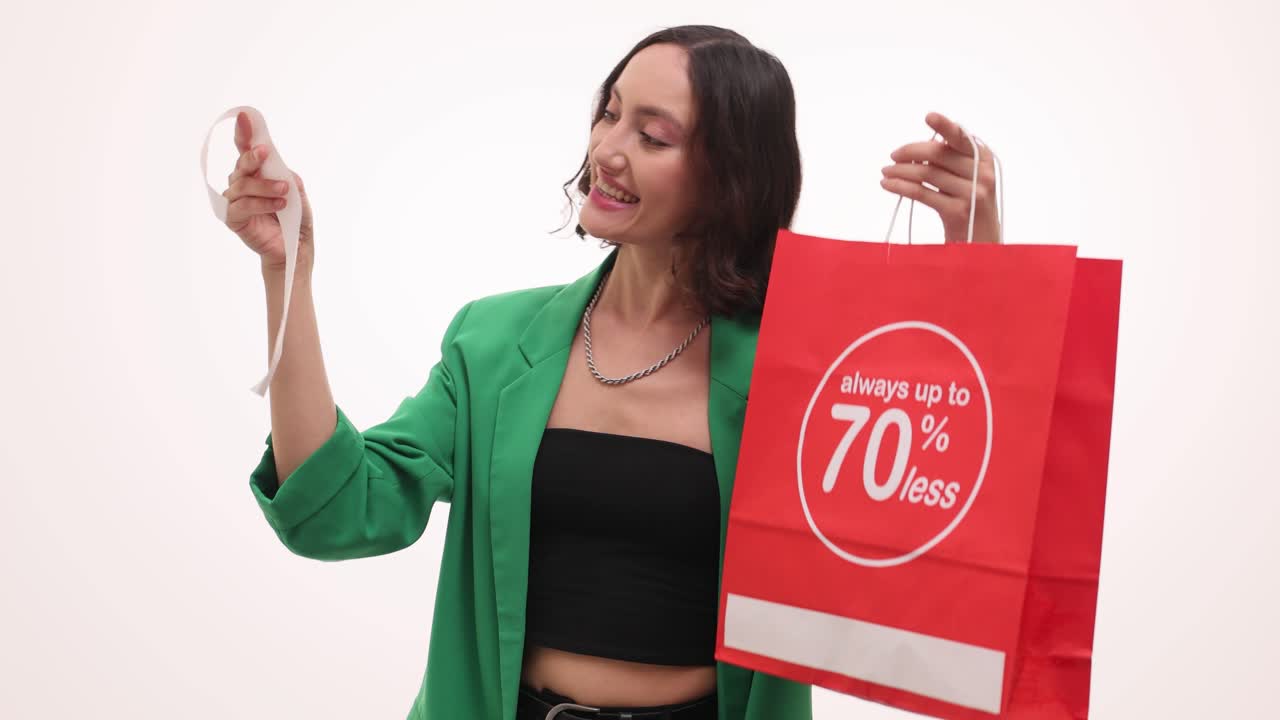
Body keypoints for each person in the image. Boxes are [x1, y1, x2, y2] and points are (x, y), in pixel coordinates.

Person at [220, 24, 1000, 720]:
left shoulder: (801, 370)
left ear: (730, 178)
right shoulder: (492, 342)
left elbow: (937, 515)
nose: (607, 149)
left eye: (653, 136)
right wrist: (288, 274)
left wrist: (979, 262)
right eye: (610, 111)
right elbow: (337, 512)